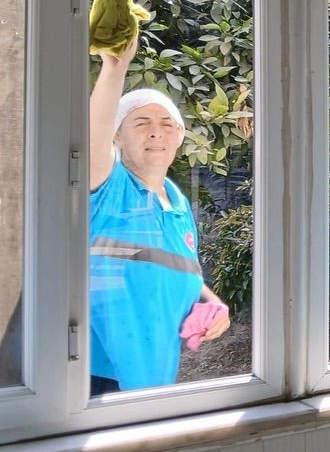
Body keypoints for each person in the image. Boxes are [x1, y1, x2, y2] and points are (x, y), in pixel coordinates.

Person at [89, 35, 230, 395]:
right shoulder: (109, 187)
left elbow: (178, 266)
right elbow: (92, 136)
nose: (156, 131)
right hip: (101, 376)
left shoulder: (178, 202)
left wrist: (214, 304)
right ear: (117, 137)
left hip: (154, 376)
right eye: (141, 123)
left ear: (180, 136)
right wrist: (115, 67)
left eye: (167, 123)